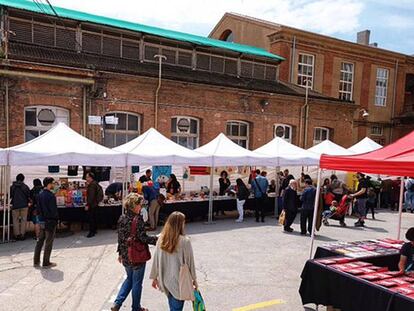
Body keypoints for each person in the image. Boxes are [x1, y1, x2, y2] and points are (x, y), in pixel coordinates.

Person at [111, 193, 158, 311]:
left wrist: (120, 254)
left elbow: (120, 238)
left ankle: (117, 303)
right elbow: (143, 238)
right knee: (137, 283)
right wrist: (157, 240)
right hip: (137, 255)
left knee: (129, 279)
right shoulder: (138, 219)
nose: (141, 207)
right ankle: (136, 308)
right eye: (139, 205)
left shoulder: (122, 218)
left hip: (126, 255)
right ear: (134, 206)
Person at [150, 212, 197, 311]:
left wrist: (154, 277)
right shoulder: (185, 241)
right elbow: (190, 263)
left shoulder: (161, 239)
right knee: (176, 308)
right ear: (180, 224)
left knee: (173, 306)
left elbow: (156, 259)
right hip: (179, 281)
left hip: (165, 280)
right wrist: (194, 280)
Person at [34, 177, 58, 268]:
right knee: (48, 242)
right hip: (50, 221)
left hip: (41, 220)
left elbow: (38, 209)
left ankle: (36, 261)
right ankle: (46, 262)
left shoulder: (40, 194)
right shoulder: (51, 196)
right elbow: (53, 210)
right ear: (49, 184)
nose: (54, 185)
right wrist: (55, 219)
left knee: (40, 241)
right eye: (53, 183)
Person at [10, 173, 31, 240]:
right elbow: (28, 195)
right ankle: (22, 235)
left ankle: (16, 235)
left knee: (15, 220)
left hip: (15, 205)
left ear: (16, 178)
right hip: (24, 205)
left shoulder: (12, 187)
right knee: (23, 220)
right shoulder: (25, 186)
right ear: (23, 179)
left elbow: (10, 195)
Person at [85, 172, 101, 238]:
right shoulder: (95, 183)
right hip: (95, 203)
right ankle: (94, 230)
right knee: (94, 217)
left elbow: (91, 196)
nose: (86, 178)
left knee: (91, 218)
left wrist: (87, 204)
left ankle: (92, 232)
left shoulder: (92, 185)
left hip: (92, 204)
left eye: (87, 177)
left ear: (90, 177)